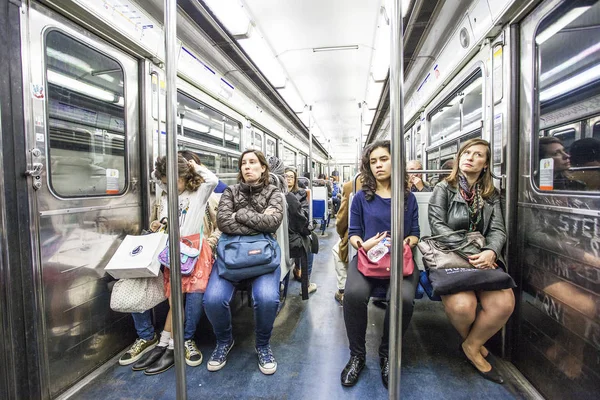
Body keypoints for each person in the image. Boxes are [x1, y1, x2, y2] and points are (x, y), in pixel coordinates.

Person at [119, 154, 218, 374]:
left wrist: (191, 166)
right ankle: (165, 343)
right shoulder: (165, 195)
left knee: (193, 296)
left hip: (193, 252)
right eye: (165, 182)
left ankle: (179, 342)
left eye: (173, 181)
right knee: (174, 300)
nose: (168, 186)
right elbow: (156, 181)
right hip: (171, 251)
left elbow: (212, 180)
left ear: (185, 176)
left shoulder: (198, 193)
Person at [428, 138, 515, 384]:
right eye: (466, 153)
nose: (470, 157)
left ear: (486, 164)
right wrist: (471, 252)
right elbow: (438, 227)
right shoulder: (443, 188)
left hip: (484, 256)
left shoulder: (491, 195)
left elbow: (498, 229)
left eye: (478, 155)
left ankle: (471, 346)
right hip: (452, 255)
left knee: (504, 303)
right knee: (462, 307)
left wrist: (491, 252)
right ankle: (475, 345)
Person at [341, 140, 420, 389]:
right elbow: (353, 232)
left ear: (395, 161)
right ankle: (357, 356)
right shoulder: (361, 198)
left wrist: (404, 241)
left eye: (383, 159)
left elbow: (415, 233)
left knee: (404, 299)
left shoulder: (407, 197)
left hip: (399, 261)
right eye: (373, 162)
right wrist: (361, 245)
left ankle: (387, 354)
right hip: (367, 259)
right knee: (353, 295)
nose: (378, 165)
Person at [203, 150, 284, 375]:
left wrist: (240, 214)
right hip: (231, 256)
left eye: (252, 163)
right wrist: (258, 221)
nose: (247, 167)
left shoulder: (273, 192)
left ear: (263, 168)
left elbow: (273, 222)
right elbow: (224, 222)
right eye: (243, 164)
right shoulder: (230, 191)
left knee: (267, 298)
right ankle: (224, 340)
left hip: (263, 257)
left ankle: (262, 345)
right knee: (213, 299)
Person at [284, 166, 317, 294]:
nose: (289, 180)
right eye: (286, 177)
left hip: (294, 229)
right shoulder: (275, 193)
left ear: (295, 179)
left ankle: (306, 282)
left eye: (291, 177)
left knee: (308, 243)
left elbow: (304, 214)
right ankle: (296, 270)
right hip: (280, 231)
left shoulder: (301, 193)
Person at [332, 177, 361, 305]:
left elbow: (343, 218)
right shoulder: (398, 182)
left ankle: (343, 290)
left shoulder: (352, 185)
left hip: (356, 234)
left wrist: (341, 234)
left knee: (338, 251)